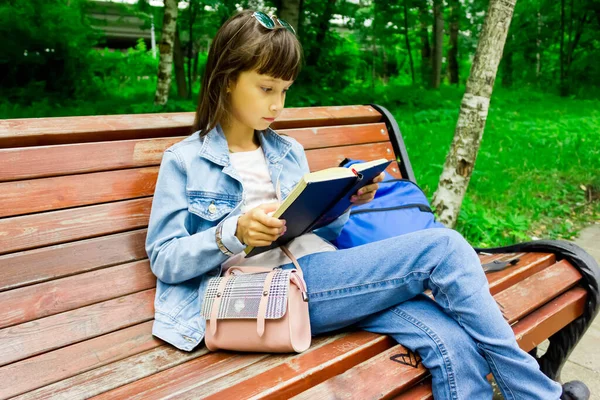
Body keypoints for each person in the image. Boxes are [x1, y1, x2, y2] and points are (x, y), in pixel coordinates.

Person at [145, 9, 589, 400]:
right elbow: (165, 259)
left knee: (451, 341)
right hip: (261, 295)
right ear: (226, 80)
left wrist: (344, 202)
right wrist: (232, 233)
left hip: (322, 279)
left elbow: (316, 233)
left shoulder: (286, 151)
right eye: (266, 89)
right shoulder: (185, 162)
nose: (278, 104)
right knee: (446, 249)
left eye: (285, 90)